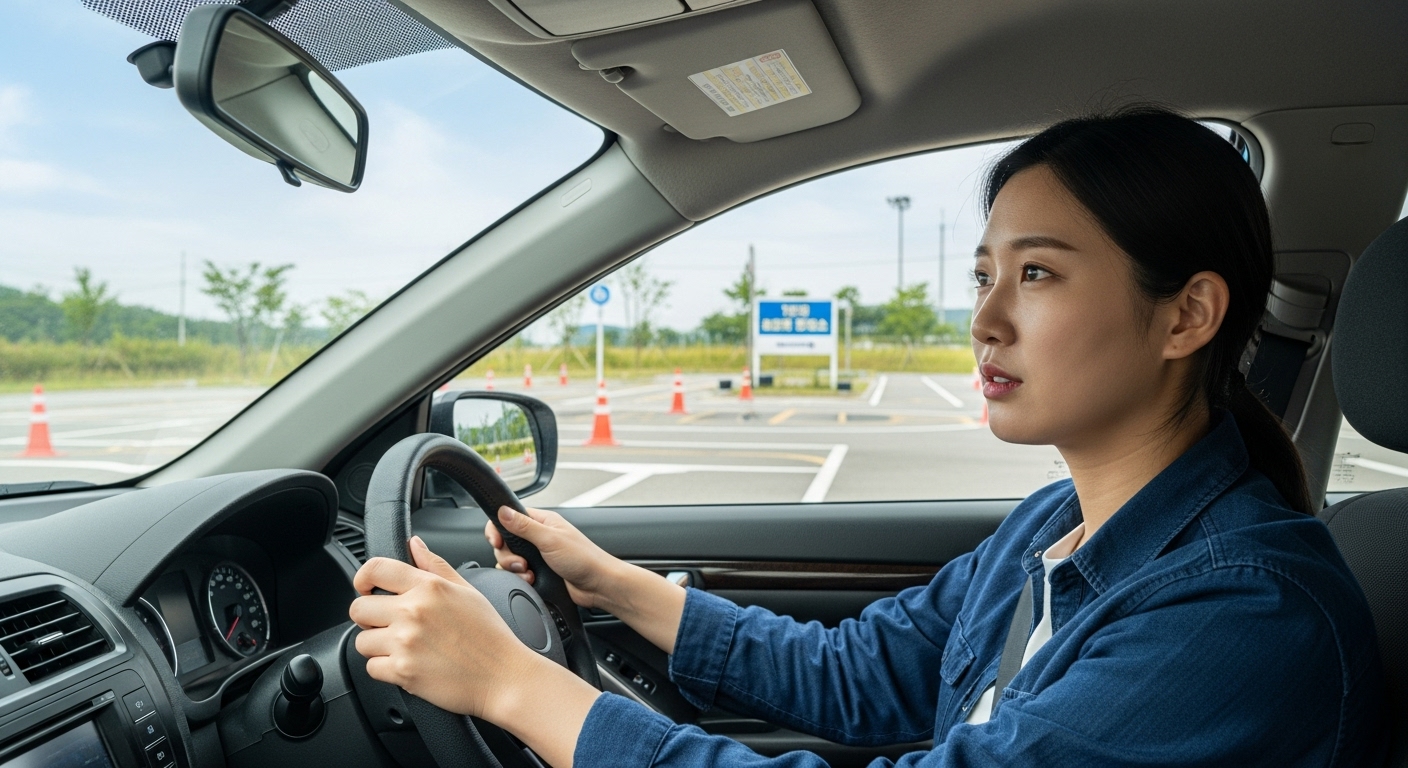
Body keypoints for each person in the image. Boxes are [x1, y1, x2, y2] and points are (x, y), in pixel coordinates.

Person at [348, 106, 1387, 767]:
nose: (982, 319)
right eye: (983, 275)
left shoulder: (1242, 615)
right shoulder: (1059, 525)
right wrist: (612, 583)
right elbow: (860, 673)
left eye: (1036, 273)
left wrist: (516, 685)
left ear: (1185, 316)